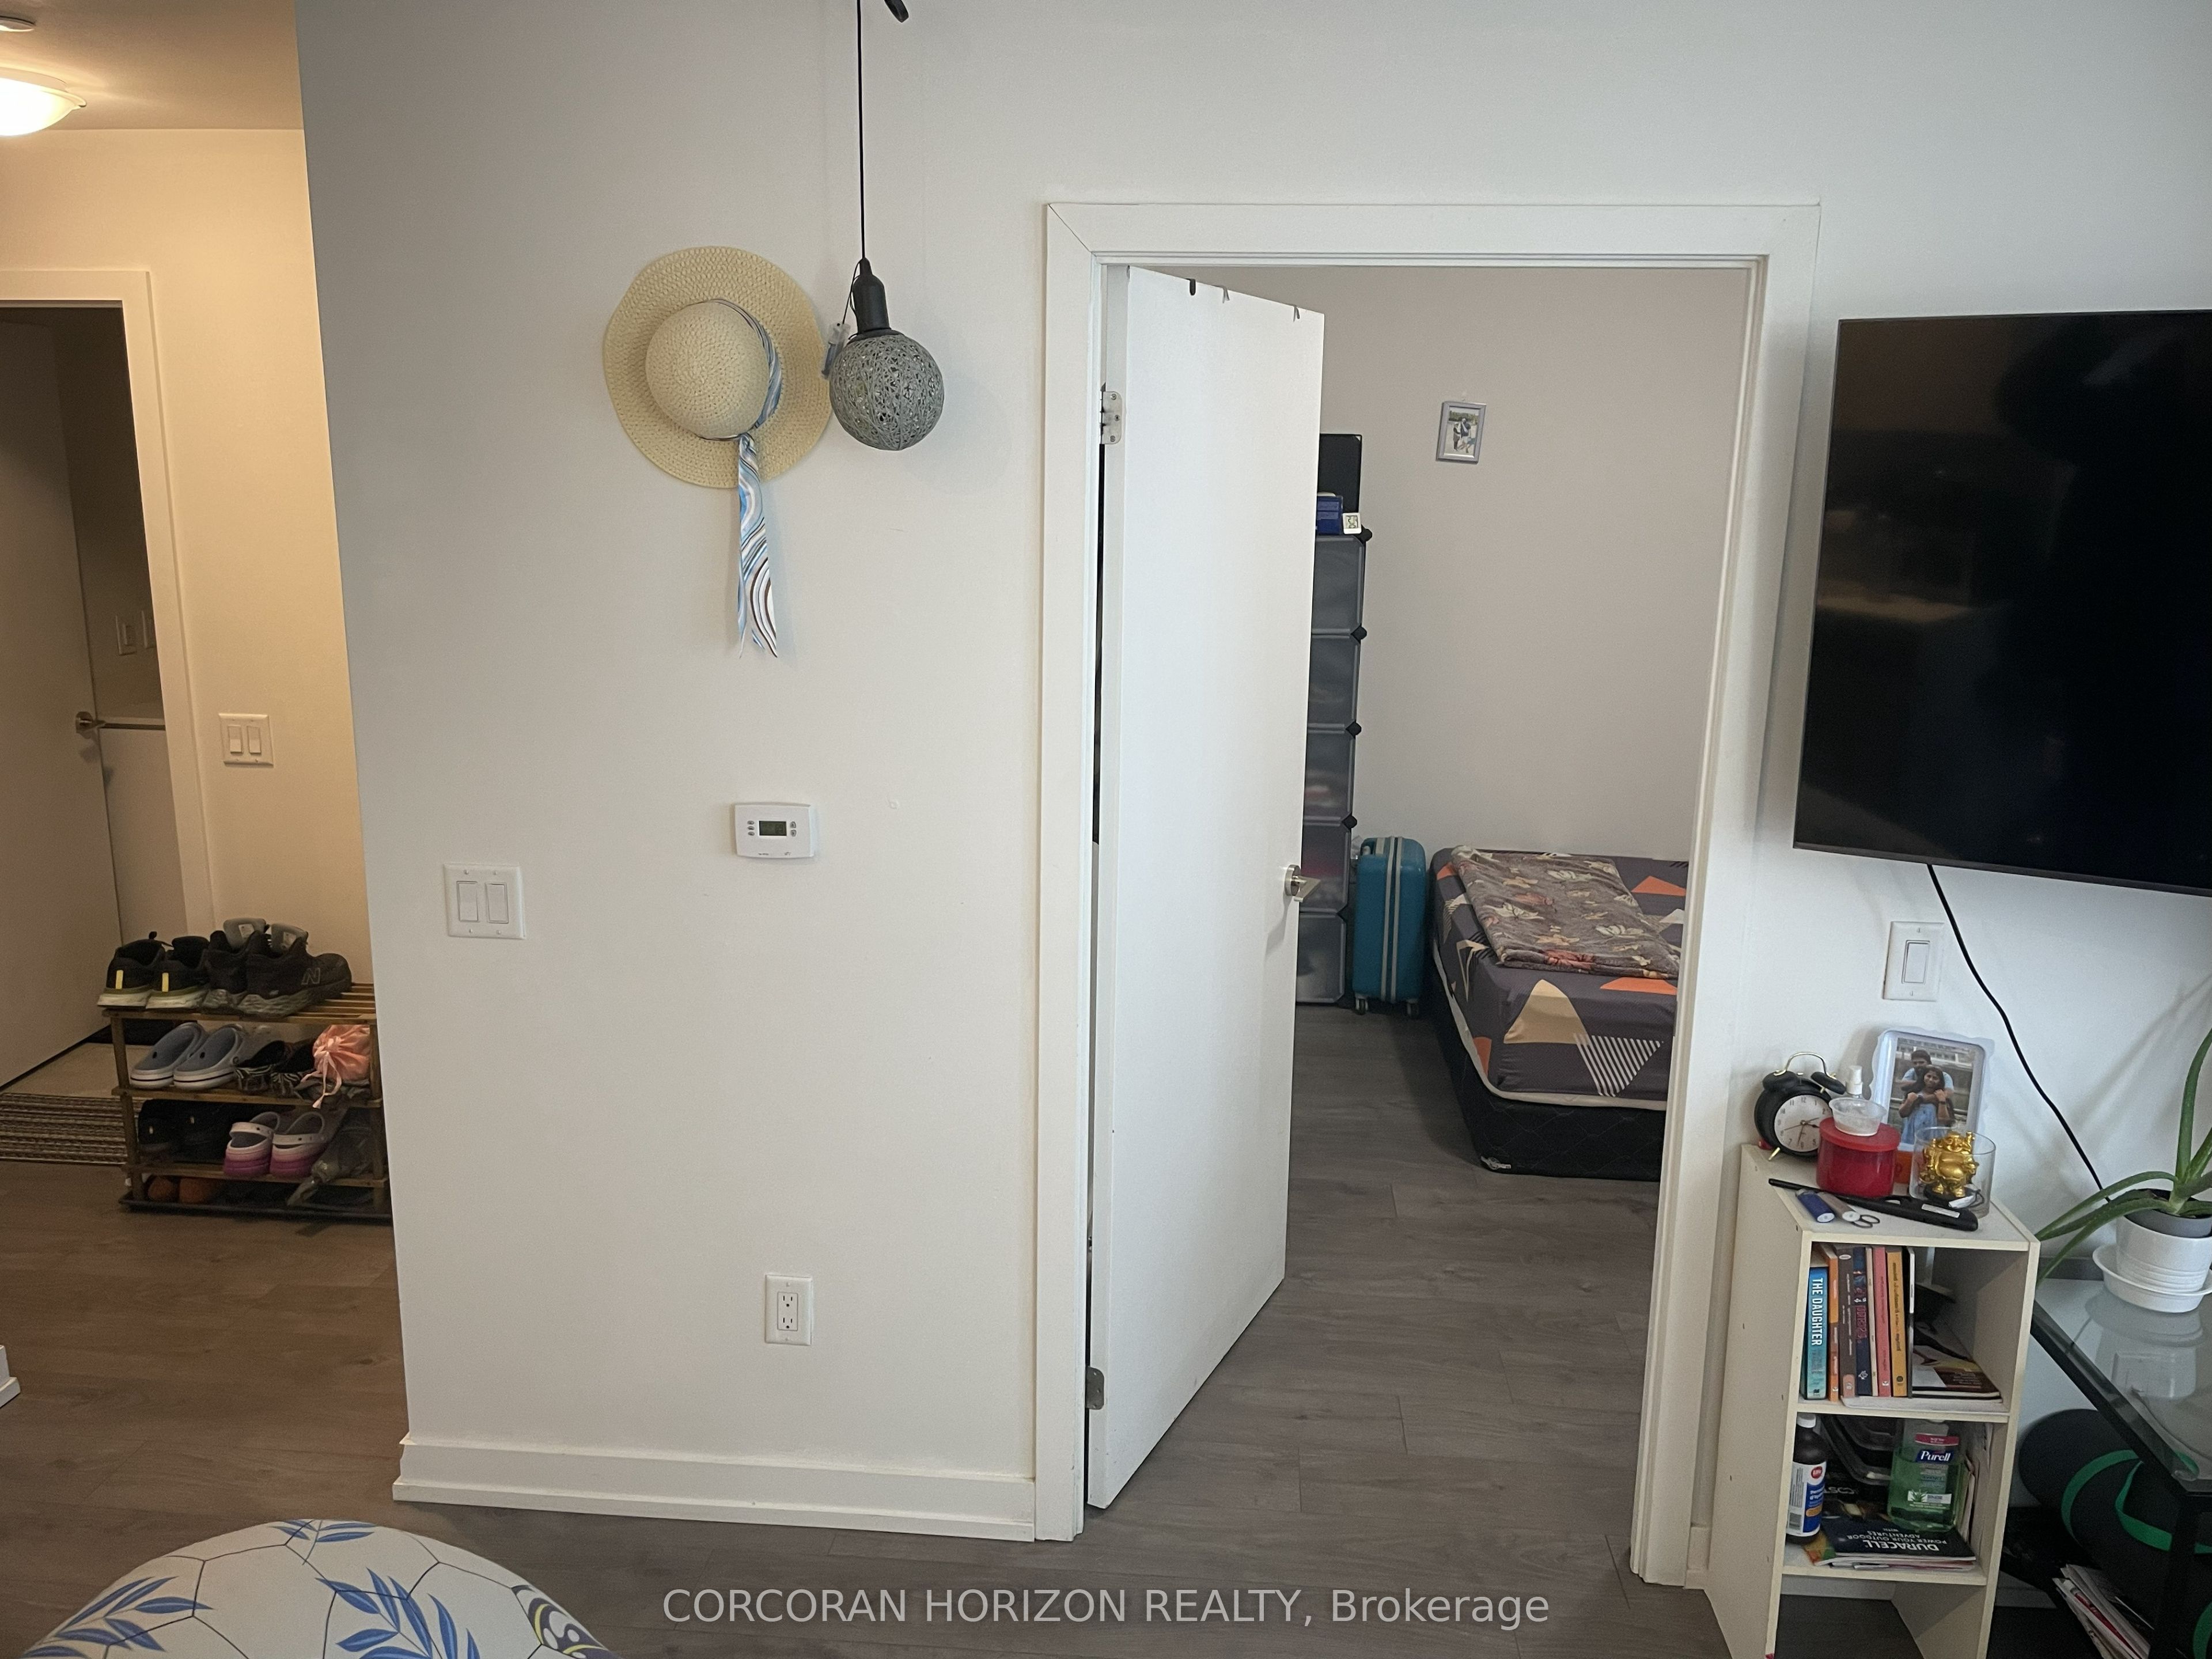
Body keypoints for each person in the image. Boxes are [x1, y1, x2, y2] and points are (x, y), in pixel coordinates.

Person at [1899, 1052, 1955, 1146]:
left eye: (1935, 1078)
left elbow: (1945, 1120)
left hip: (1933, 1140)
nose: (1931, 1080)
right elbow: (1902, 1114)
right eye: (1928, 1076)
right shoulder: (1914, 1092)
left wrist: (1942, 1101)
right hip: (1911, 1137)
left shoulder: (1942, 1094)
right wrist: (1909, 1101)